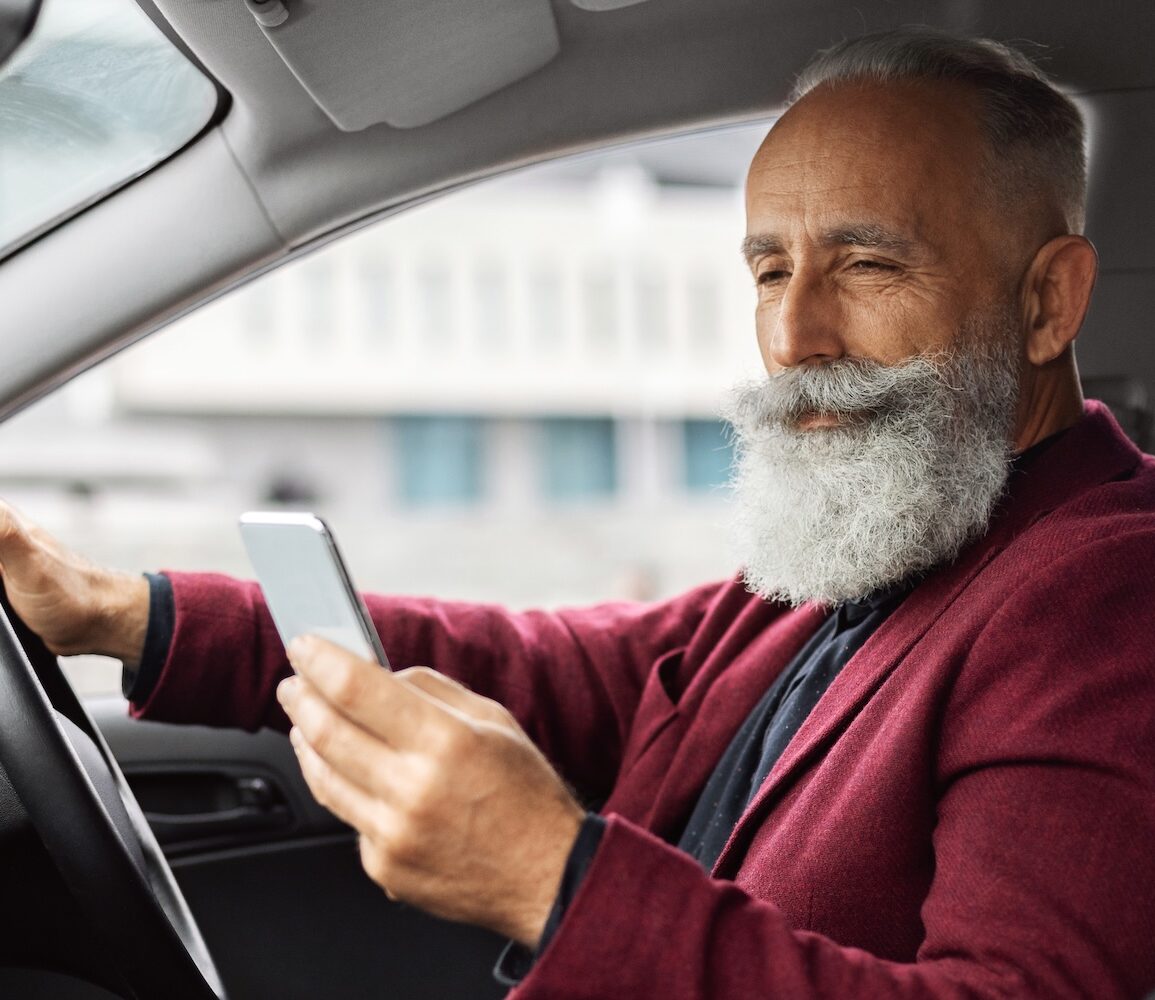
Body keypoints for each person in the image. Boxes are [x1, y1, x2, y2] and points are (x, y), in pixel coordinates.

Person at [2, 27, 1154, 999]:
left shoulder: (1104, 594)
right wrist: (121, 614)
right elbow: (569, 669)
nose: (794, 336)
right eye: (769, 271)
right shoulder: (879, 542)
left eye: (865, 265)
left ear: (1047, 301)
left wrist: (554, 881)